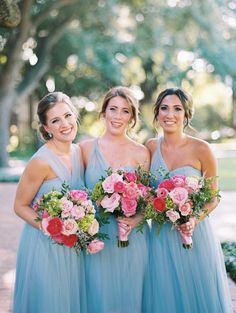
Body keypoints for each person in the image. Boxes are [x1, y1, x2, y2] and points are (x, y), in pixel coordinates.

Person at [144, 87, 232, 313]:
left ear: (186, 114)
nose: (169, 114)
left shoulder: (201, 149)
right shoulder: (151, 147)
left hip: (195, 234)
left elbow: (213, 198)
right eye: (164, 108)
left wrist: (194, 218)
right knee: (165, 298)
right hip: (161, 236)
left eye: (177, 108)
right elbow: (144, 192)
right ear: (157, 113)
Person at [13, 92, 87, 313]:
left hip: (73, 246)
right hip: (45, 245)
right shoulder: (40, 162)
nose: (65, 124)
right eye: (55, 120)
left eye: (67, 116)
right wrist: (52, 227)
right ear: (46, 128)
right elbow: (19, 206)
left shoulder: (78, 152)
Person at [80, 86, 150, 313]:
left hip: (132, 238)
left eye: (125, 111)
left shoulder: (141, 153)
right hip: (96, 238)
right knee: (98, 297)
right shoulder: (85, 149)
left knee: (130, 296)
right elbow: (76, 194)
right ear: (103, 113)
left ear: (132, 118)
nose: (118, 116)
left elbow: (148, 197)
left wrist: (136, 218)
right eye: (113, 109)